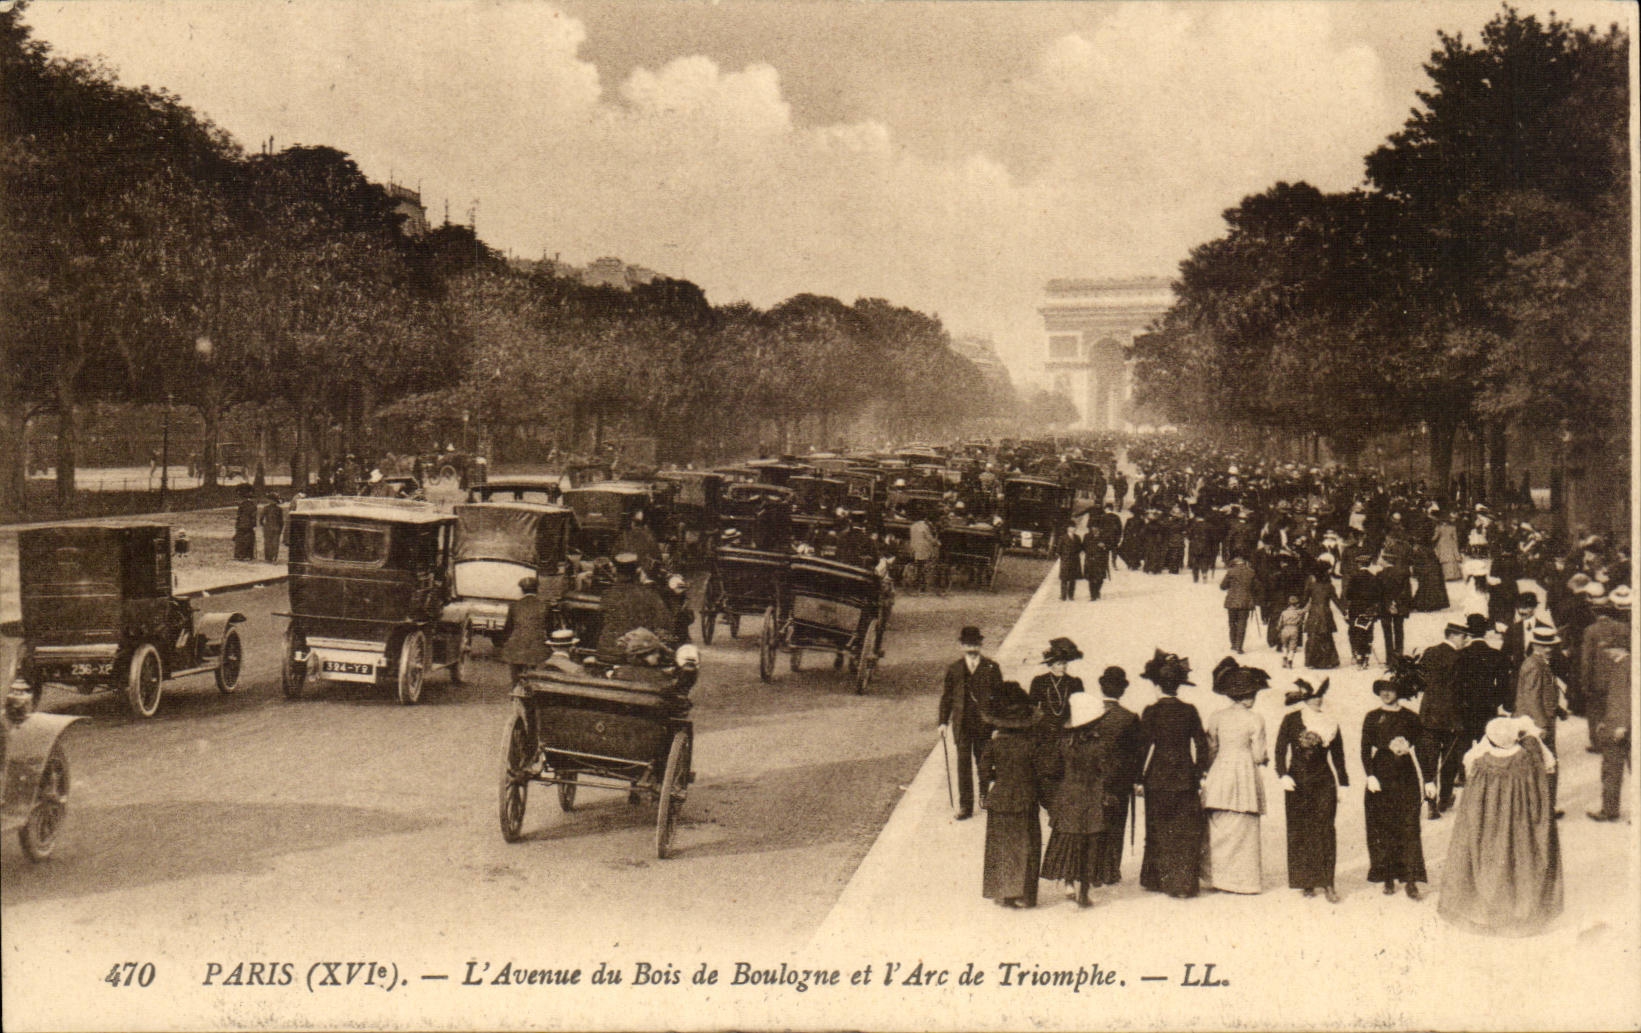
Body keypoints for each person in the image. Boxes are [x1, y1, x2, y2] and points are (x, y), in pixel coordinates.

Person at [1438, 716, 1563, 935]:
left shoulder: (1481, 762)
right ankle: (1521, 912)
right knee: (1520, 859)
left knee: (1490, 858)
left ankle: (1488, 911)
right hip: (1520, 821)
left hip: (1489, 822)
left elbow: (1468, 765)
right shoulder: (1529, 757)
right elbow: (1550, 764)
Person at [1137, 650, 1209, 898]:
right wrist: (1200, 773)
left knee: (1157, 826)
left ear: (1157, 685)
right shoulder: (1190, 711)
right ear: (1178, 686)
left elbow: (1143, 746)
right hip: (1184, 776)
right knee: (1184, 830)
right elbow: (1202, 744)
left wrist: (1137, 778)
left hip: (1157, 775)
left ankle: (1156, 879)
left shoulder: (1151, 711)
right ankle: (1183, 883)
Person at [1201, 657, 1271, 895]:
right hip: (1244, 772)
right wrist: (1261, 758)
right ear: (1249, 695)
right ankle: (1242, 881)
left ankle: (1216, 878)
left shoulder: (1217, 716)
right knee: (1244, 826)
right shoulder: (1255, 719)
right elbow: (1259, 755)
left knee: (1219, 823)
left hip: (1220, 770)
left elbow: (1210, 748)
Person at [1276, 677, 1347, 901]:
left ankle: (1328, 883)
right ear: (1305, 698)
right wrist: (1283, 775)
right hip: (1297, 781)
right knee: (1300, 829)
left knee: (1325, 828)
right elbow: (1280, 750)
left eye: (1320, 695)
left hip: (1323, 780)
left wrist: (1343, 783)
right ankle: (1306, 881)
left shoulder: (1330, 721)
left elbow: (1338, 755)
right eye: (1312, 696)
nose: (1317, 700)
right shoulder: (1291, 719)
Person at [1039, 691, 1112, 908]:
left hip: (1069, 797)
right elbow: (1106, 771)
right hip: (1092, 798)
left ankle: (1068, 883)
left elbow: (1052, 769)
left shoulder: (1064, 743)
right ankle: (1084, 892)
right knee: (1090, 843)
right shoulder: (1099, 745)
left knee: (1069, 840)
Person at [1362, 676, 1429, 899]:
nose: (1386, 694)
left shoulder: (1411, 717)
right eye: (1382, 690)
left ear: (1399, 692)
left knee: (1409, 827)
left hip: (1406, 776)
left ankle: (1410, 880)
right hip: (1381, 776)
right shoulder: (1372, 717)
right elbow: (1364, 749)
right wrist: (1370, 775)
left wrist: (1429, 779)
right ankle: (1388, 877)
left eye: (1390, 690)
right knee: (1385, 827)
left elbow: (1421, 749)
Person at [978, 685, 1041, 908]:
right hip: (1025, 797)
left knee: (1001, 846)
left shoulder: (994, 743)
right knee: (1028, 846)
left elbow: (984, 770)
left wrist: (984, 793)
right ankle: (1025, 894)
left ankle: (1003, 893)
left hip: (1001, 798)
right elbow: (1040, 771)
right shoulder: (1031, 744)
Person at [938, 625, 1003, 820]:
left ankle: (985, 796)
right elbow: (947, 697)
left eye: (975, 644)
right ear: (961, 646)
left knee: (984, 762)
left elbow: (1000, 698)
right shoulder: (955, 669)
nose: (971, 649)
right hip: (962, 725)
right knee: (963, 765)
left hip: (985, 725)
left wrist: (999, 725)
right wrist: (942, 722)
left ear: (980, 645)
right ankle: (965, 805)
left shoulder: (991, 668)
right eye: (968, 645)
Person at [1086, 667, 1142, 888]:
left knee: (1094, 823)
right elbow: (1137, 753)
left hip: (1092, 778)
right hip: (1119, 781)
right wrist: (1136, 779)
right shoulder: (1129, 718)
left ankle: (1092, 870)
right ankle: (1110, 870)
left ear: (1101, 687)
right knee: (1116, 825)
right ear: (1123, 691)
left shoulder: (1090, 714)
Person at [1586, 586, 1632, 822]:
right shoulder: (1620, 666)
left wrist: (1621, 725)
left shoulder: (1627, 667)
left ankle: (1610, 809)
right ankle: (1609, 808)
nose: (1606, 654)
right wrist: (1605, 721)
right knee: (1611, 770)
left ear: (1619, 648)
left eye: (1609, 650)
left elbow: (1627, 700)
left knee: (1617, 769)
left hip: (1623, 728)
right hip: (1615, 724)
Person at [1417, 620, 1470, 818]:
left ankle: (1430, 803)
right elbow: (1462, 689)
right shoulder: (1460, 658)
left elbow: (1421, 679)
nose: (1466, 640)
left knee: (1429, 762)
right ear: (1453, 636)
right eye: (1464, 636)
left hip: (1429, 715)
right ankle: (1444, 799)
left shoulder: (1430, 652)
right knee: (1449, 761)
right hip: (1451, 718)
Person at [1029, 637, 1086, 817]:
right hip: (1045, 733)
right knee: (1046, 769)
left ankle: (1063, 804)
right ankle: (1048, 802)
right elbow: (1031, 708)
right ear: (1051, 664)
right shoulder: (1039, 682)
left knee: (1065, 769)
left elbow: (1079, 708)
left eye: (1065, 663)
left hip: (1066, 732)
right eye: (1059, 663)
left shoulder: (1075, 682)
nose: (1063, 667)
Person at [1512, 622, 1564, 815]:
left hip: (1539, 721)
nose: (1549, 649)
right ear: (1535, 646)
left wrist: (1558, 709)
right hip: (1537, 725)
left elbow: (1541, 694)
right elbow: (1532, 698)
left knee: (1543, 765)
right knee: (1546, 765)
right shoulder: (1535, 666)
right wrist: (1542, 725)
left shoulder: (1538, 663)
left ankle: (1543, 806)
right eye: (1544, 646)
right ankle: (1544, 808)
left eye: (1550, 645)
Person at [596, 553, 674, 661]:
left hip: (609, 652)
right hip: (640, 652)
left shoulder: (608, 595)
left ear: (616, 572)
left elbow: (599, 621)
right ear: (637, 572)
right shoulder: (649, 594)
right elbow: (665, 622)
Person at [498, 577, 549, 682]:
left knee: (515, 675)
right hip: (538, 648)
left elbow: (508, 628)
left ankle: (515, 692)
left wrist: (504, 643)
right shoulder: (545, 606)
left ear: (522, 590)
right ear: (537, 589)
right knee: (537, 676)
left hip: (517, 647)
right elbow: (550, 628)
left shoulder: (514, 606)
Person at [1302, 557, 1342, 669]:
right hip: (1325, 612)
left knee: (1313, 637)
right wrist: (1345, 611)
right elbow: (1337, 601)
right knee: (1326, 637)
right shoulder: (1329, 587)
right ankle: (1328, 661)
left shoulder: (1311, 586)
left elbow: (1304, 601)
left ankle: (1312, 661)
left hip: (1314, 612)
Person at [1220, 556, 1258, 654]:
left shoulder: (1231, 572)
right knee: (1242, 624)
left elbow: (1223, 586)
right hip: (1245, 602)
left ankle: (1233, 644)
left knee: (1232, 623)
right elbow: (1256, 587)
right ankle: (1239, 646)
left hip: (1232, 602)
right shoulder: (1251, 572)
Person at [908, 514, 940, 595]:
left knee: (919, 566)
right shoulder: (925, 527)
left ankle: (917, 584)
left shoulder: (913, 526)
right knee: (923, 566)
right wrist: (937, 542)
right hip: (923, 549)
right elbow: (929, 538)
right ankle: (922, 586)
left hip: (914, 547)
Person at [1276, 594, 1306, 668]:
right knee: (1292, 647)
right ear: (1297, 604)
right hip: (1294, 629)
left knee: (1284, 645)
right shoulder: (1298, 612)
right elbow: (1304, 615)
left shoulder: (1284, 612)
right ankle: (1290, 661)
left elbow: (1280, 623)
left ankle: (1284, 658)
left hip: (1285, 629)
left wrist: (1278, 628)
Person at [1056, 519, 1083, 601]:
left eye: (1074, 527)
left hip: (1075, 561)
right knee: (1064, 579)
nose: (1074, 529)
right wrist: (1064, 557)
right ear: (1068, 528)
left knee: (1073, 579)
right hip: (1066, 560)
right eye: (1072, 527)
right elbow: (1058, 550)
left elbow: (1080, 548)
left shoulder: (1077, 537)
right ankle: (1063, 596)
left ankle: (1071, 595)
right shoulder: (1063, 538)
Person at [233, 486, 258, 561]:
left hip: (241, 524)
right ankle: (248, 555)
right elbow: (253, 516)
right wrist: (254, 524)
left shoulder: (241, 505)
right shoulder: (253, 505)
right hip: (249, 525)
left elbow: (239, 516)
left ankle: (239, 555)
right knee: (249, 539)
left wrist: (237, 524)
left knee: (240, 539)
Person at [260, 493, 285, 563]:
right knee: (275, 543)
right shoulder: (279, 509)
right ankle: (274, 557)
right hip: (276, 528)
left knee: (268, 543)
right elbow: (281, 521)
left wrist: (263, 525)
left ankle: (268, 557)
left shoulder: (266, 508)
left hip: (268, 528)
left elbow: (261, 518)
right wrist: (281, 528)